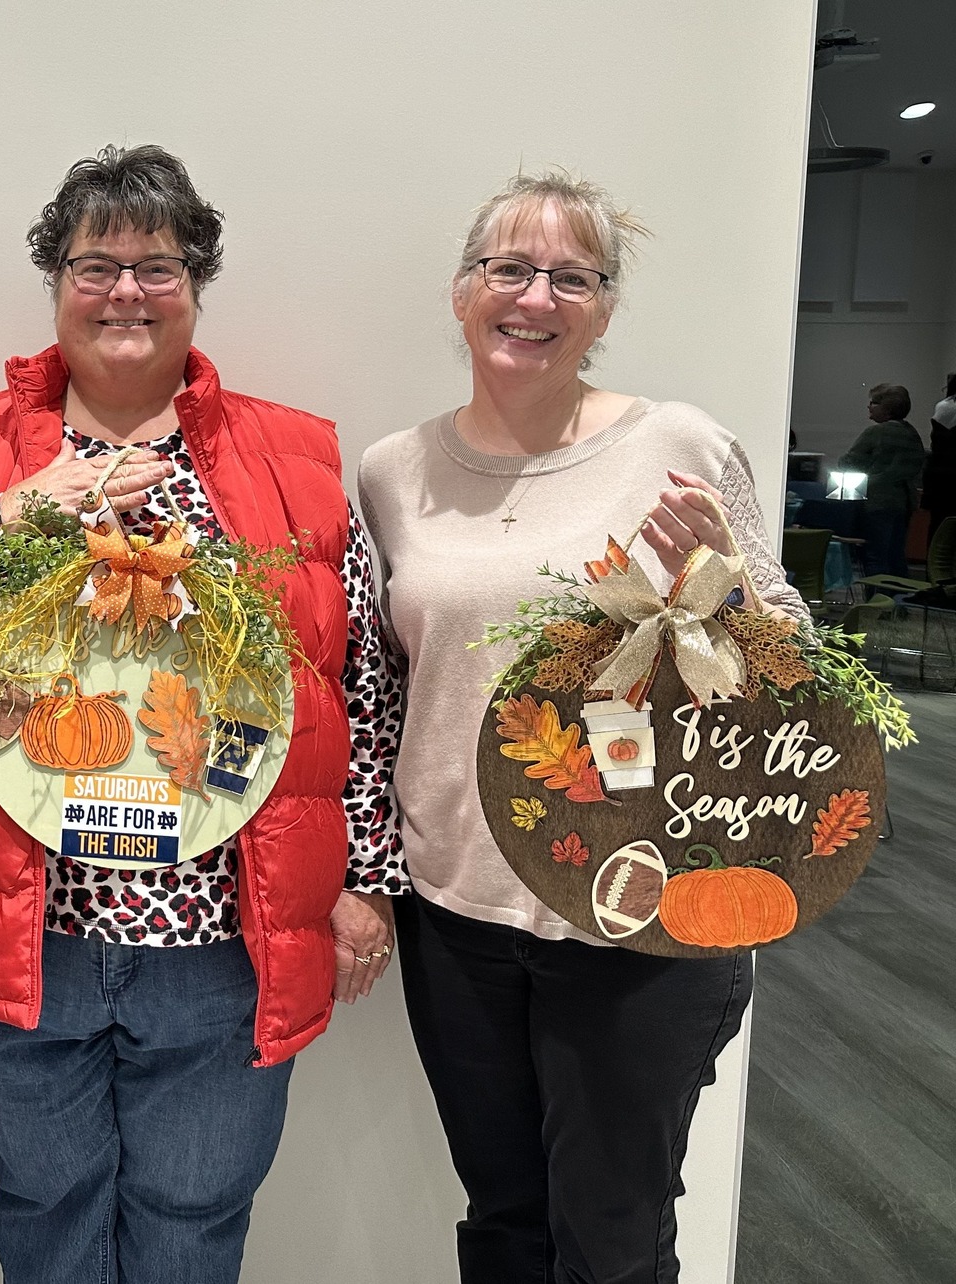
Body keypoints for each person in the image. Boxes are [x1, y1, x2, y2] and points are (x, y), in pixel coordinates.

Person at [0, 144, 404, 1284]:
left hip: (223, 934)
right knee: (47, 1210)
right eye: (94, 266)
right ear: (55, 283)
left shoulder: (291, 459)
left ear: (196, 284)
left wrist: (367, 877)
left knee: (193, 1220)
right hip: (29, 927)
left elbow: (358, 686)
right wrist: (16, 518)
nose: (125, 293)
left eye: (158, 267)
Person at [357, 170, 806, 1283]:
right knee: (503, 1219)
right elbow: (390, 683)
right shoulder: (392, 472)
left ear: (604, 310)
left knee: (611, 1241)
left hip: (642, 912)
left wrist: (728, 586)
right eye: (508, 268)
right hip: (456, 905)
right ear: (462, 291)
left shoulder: (678, 444)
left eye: (572, 277)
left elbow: (793, 672)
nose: (535, 298)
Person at [840, 382, 927, 575]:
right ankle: (895, 593)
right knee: (896, 556)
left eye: (874, 402)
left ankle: (876, 594)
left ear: (887, 409)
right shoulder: (912, 433)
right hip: (904, 503)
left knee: (875, 556)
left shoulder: (875, 432)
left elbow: (849, 462)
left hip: (877, 502)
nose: (869, 406)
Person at [924, 373, 956, 544]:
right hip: (946, 478)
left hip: (941, 479)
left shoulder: (945, 407)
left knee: (939, 530)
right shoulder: (948, 408)